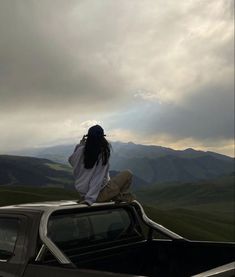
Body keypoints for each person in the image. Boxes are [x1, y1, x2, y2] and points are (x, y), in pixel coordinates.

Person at [68, 125, 134, 205]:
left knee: (109, 180)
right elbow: (97, 179)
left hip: (84, 194)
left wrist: (80, 145)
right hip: (98, 195)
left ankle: (115, 196)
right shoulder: (102, 154)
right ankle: (117, 197)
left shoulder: (81, 150)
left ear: (88, 137)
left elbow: (71, 161)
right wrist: (90, 199)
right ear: (102, 138)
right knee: (128, 174)